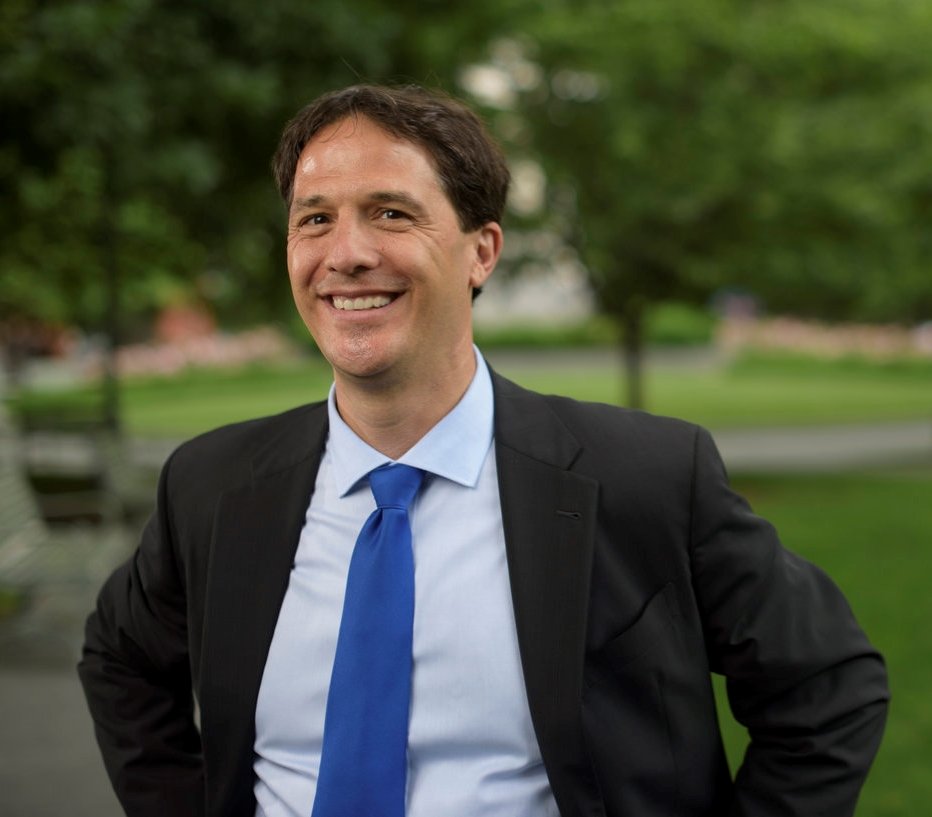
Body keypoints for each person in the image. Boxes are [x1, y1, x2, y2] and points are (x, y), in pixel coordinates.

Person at [79, 84, 889, 817]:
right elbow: (121, 659)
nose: (346, 253)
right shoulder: (213, 484)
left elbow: (827, 685)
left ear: (482, 251)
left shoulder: (646, 478)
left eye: (391, 213)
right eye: (315, 218)